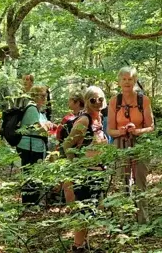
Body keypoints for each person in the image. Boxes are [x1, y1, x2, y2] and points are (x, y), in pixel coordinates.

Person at [62, 86, 108, 253]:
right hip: (85, 174)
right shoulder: (84, 121)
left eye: (100, 99)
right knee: (83, 210)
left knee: (91, 211)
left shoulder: (99, 120)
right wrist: (76, 168)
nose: (97, 103)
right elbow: (67, 144)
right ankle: (78, 246)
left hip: (98, 172)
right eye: (93, 100)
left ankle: (84, 244)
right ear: (86, 101)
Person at [107, 66, 154, 224]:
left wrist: (137, 130)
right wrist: (120, 131)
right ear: (119, 81)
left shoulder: (143, 100)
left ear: (135, 81)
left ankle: (143, 220)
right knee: (122, 181)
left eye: (130, 79)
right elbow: (110, 130)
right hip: (120, 143)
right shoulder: (114, 101)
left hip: (140, 143)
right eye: (124, 79)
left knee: (141, 181)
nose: (127, 82)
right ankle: (124, 220)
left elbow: (151, 127)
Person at [16, 85, 49, 205]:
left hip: (36, 146)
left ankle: (33, 202)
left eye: (46, 95)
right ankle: (29, 203)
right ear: (35, 96)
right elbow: (38, 127)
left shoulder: (38, 110)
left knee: (34, 174)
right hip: (29, 147)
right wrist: (49, 129)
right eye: (42, 96)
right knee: (30, 174)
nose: (45, 98)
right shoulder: (32, 108)